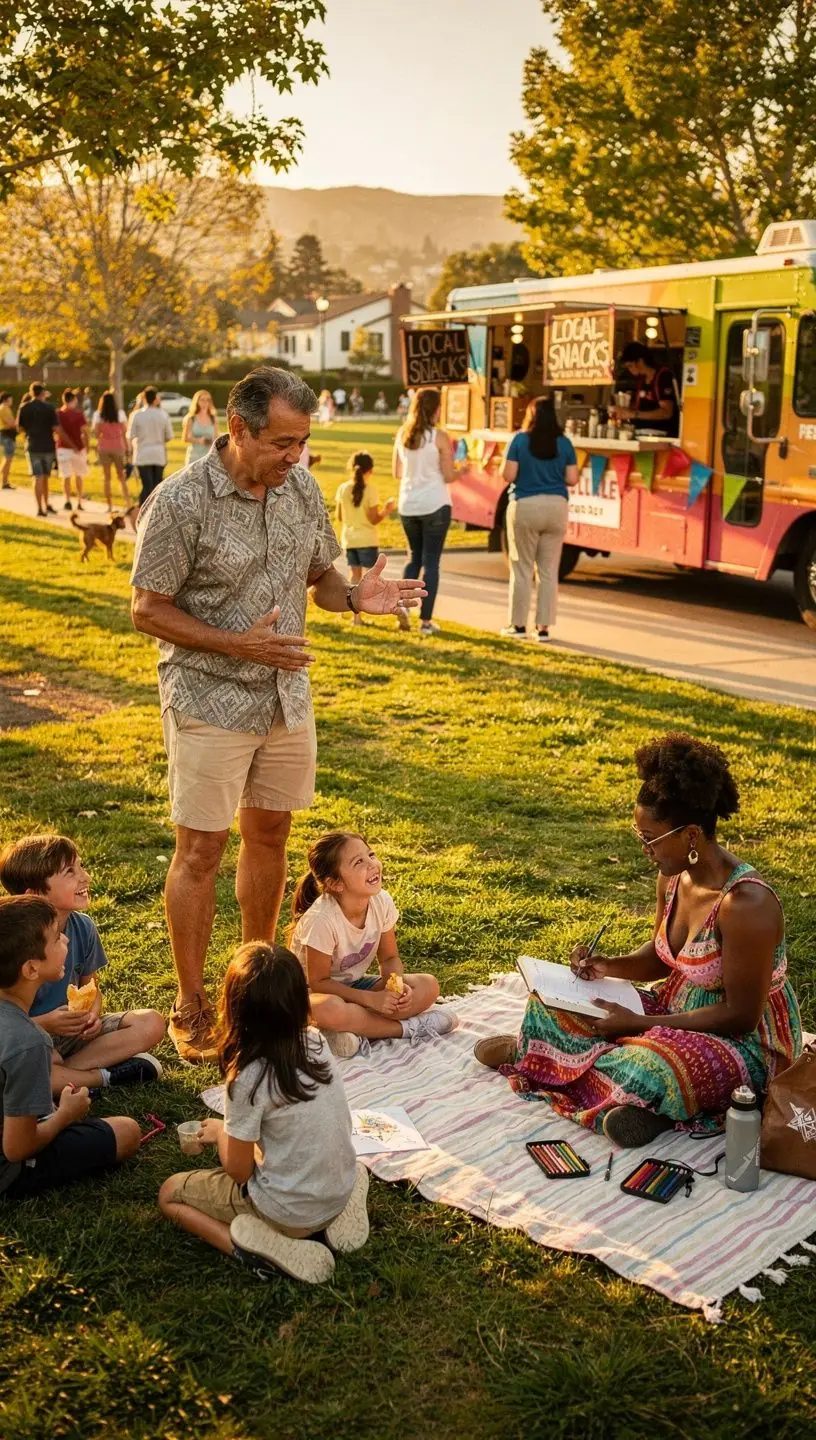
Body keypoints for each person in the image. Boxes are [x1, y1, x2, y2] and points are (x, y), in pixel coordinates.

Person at [130, 366, 426, 1062]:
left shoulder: (300, 488)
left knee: (269, 837)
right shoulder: (180, 501)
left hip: (286, 699)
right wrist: (237, 644)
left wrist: (354, 597)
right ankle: (192, 1001)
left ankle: (251, 988)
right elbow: (146, 608)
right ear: (238, 429)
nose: (297, 457)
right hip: (208, 698)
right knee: (201, 851)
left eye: (304, 441)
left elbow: (322, 575)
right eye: (283, 442)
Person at [475, 733, 803, 1149]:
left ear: (690, 836)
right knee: (550, 1006)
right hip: (675, 1009)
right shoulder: (672, 877)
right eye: (639, 835)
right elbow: (660, 959)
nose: (645, 849)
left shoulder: (746, 905)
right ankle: (608, 1086)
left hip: (743, 1044)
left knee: (653, 1066)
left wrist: (641, 1024)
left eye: (651, 838)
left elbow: (739, 1016)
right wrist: (606, 965)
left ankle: (561, 1064)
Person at [158, 940, 369, 1285]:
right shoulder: (316, 1042)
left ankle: (252, 1248)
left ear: (235, 1007)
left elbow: (239, 1172)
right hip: (337, 1187)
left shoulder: (248, 1077)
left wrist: (222, 1133)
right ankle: (336, 1213)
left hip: (285, 1211)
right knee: (336, 1171)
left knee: (170, 1194)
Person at [0, 896, 141, 1201]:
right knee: (128, 1132)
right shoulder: (28, 1041)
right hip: (9, 1168)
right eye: (55, 938)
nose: (65, 938)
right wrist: (66, 1114)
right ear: (31, 970)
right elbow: (16, 1148)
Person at [0, 834, 165, 1094]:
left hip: (72, 1036)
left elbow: (90, 986)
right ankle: (98, 1078)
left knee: (151, 1022)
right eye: (69, 872)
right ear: (34, 894)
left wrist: (92, 1015)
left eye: (81, 866)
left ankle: (64, 1078)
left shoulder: (83, 927)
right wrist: (47, 1024)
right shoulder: (12, 941)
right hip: (27, 1037)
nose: (85, 877)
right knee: (40, 1058)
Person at [290, 830, 457, 1058]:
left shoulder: (381, 901)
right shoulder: (322, 919)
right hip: (313, 996)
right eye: (359, 862)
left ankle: (348, 1029)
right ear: (336, 883)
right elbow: (318, 982)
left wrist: (394, 986)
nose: (372, 864)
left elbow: (389, 958)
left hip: (355, 987)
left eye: (371, 854)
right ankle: (407, 1029)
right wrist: (371, 1000)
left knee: (428, 986)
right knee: (331, 1009)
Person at [499, 396, 579, 643]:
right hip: (556, 507)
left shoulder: (519, 440)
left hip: (525, 505)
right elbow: (572, 479)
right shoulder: (565, 443)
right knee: (548, 571)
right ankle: (543, 628)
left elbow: (508, 474)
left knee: (521, 568)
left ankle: (518, 625)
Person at [393, 387, 454, 637]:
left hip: (408, 504)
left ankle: (405, 608)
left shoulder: (403, 434)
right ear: (435, 409)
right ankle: (426, 621)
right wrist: (465, 471)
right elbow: (449, 475)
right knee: (431, 563)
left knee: (413, 558)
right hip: (435, 504)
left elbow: (397, 472)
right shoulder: (439, 436)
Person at [334, 451, 395, 624]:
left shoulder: (343, 488)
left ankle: (355, 617)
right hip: (367, 539)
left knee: (354, 577)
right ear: (370, 470)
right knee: (369, 581)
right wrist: (387, 510)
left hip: (349, 539)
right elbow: (374, 519)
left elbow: (339, 516)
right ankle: (378, 609)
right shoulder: (371, 490)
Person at [612, 342, 678, 437]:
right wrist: (624, 410)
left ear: (640, 361)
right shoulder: (641, 379)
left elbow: (667, 412)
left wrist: (634, 414)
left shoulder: (663, 376)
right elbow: (640, 407)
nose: (629, 370)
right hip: (640, 433)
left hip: (659, 435)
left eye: (630, 365)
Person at [16, 382, 58, 517]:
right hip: (47, 445)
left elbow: (19, 427)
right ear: (42, 393)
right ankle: (46, 504)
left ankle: (40, 507)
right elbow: (55, 428)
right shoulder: (49, 408)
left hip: (32, 445)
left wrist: (28, 433)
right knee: (45, 477)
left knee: (37, 477)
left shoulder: (24, 407)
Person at [127, 386, 173, 505]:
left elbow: (131, 435)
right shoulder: (163, 414)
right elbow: (169, 436)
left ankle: (143, 508)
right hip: (158, 454)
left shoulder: (136, 415)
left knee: (146, 485)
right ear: (155, 398)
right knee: (157, 485)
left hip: (142, 453)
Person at [92, 390, 131, 510]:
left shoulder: (98, 415)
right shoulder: (120, 414)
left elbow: (97, 434)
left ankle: (109, 506)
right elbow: (124, 432)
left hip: (104, 447)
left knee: (107, 477)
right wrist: (128, 448)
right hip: (118, 446)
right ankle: (128, 503)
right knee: (121, 477)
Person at [55, 388, 89, 512]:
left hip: (63, 448)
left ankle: (67, 500)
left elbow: (57, 431)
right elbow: (85, 432)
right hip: (79, 449)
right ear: (73, 400)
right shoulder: (79, 414)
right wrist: (87, 447)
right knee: (79, 476)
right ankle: (79, 501)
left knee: (66, 476)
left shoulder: (58, 413)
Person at [181, 390, 219, 465]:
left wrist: (211, 440)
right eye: (202, 400)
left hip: (209, 457)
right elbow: (185, 438)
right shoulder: (191, 418)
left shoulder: (213, 418)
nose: (205, 403)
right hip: (194, 457)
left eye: (207, 400)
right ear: (197, 402)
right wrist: (199, 440)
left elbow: (217, 437)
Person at [0, 391, 16, 489]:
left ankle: (5, 482)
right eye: (10, 399)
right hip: (7, 436)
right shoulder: (4, 408)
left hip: (6, 435)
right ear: (6, 399)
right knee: (8, 459)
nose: (12, 401)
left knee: (7, 459)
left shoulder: (5, 408)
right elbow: (10, 423)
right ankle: (4, 482)